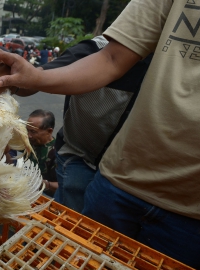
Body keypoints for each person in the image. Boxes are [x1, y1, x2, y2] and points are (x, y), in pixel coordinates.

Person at [0, 0, 200, 270]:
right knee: (75, 266)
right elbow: (104, 59)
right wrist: (30, 79)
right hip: (107, 172)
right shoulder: (96, 48)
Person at [47, 36, 152, 212]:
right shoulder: (95, 47)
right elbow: (46, 73)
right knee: (70, 217)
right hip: (79, 155)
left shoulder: (165, 67)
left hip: (126, 168)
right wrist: (26, 78)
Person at [26, 110, 58, 197]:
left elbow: (62, 186)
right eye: (27, 130)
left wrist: (43, 184)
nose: (29, 135)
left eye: (33, 131)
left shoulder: (57, 153)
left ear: (49, 131)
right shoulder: (30, 141)